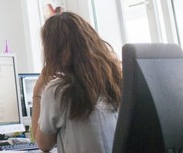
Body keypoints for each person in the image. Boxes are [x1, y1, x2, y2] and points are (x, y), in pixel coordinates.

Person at [31, 12, 122, 153]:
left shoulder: (58, 90)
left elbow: (43, 145)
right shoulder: (113, 81)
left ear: (53, 50)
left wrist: (37, 92)